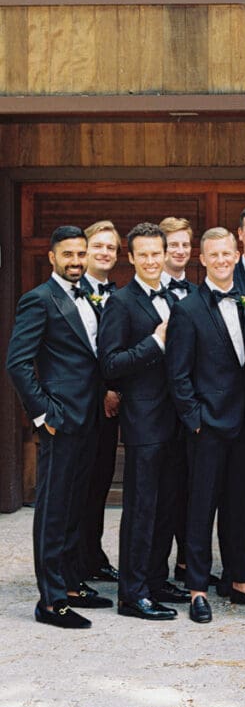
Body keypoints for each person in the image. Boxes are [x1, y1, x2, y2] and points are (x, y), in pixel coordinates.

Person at [6, 225, 109, 629]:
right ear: (52, 257)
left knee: (75, 506)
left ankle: (69, 583)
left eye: (81, 254)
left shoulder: (89, 296)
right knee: (52, 510)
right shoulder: (38, 300)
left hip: (90, 420)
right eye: (68, 254)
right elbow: (17, 363)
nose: (76, 261)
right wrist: (44, 415)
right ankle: (50, 602)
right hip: (61, 421)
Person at [165, 228, 245, 624]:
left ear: (236, 255)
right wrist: (196, 421)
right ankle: (198, 588)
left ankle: (240, 581)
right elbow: (178, 374)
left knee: (239, 506)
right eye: (213, 255)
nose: (221, 260)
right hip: (207, 426)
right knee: (201, 509)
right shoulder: (187, 310)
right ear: (202, 260)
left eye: (227, 254)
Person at [99, 222, 189, 621]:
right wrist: (155, 343)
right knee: (141, 508)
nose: (153, 261)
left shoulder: (173, 296)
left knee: (168, 504)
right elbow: (111, 362)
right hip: (144, 420)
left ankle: (155, 578)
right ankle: (132, 594)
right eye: (145, 255)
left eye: (158, 253)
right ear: (131, 257)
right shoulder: (121, 302)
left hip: (176, 419)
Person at [78, 220, 122, 585]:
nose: (105, 253)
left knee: (99, 484)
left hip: (110, 409)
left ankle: (93, 555)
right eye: (99, 247)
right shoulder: (70, 293)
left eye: (111, 248)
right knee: (77, 486)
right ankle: (73, 561)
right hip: (80, 405)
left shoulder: (117, 294)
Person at [158, 216, 199, 587]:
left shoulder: (198, 291)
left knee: (192, 490)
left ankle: (188, 565)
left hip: (193, 408)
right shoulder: (148, 293)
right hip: (159, 408)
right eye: (173, 245)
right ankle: (158, 572)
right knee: (164, 493)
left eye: (185, 244)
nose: (180, 251)